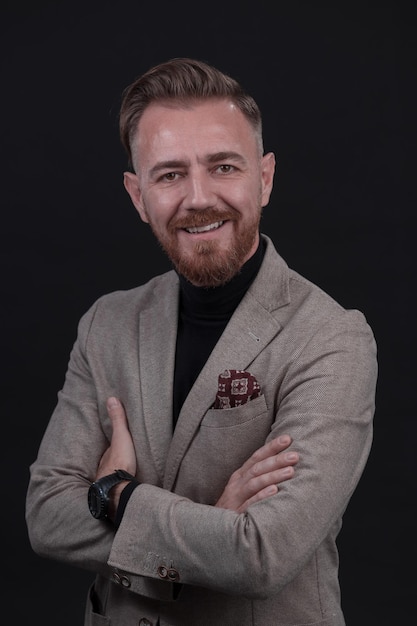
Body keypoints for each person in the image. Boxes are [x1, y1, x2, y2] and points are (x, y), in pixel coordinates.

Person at [26, 58, 378, 626]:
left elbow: (263, 554)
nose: (198, 197)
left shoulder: (333, 338)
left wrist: (114, 494)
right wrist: (212, 526)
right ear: (138, 196)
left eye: (222, 167)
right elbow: (46, 514)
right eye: (169, 175)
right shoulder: (105, 323)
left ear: (263, 179)